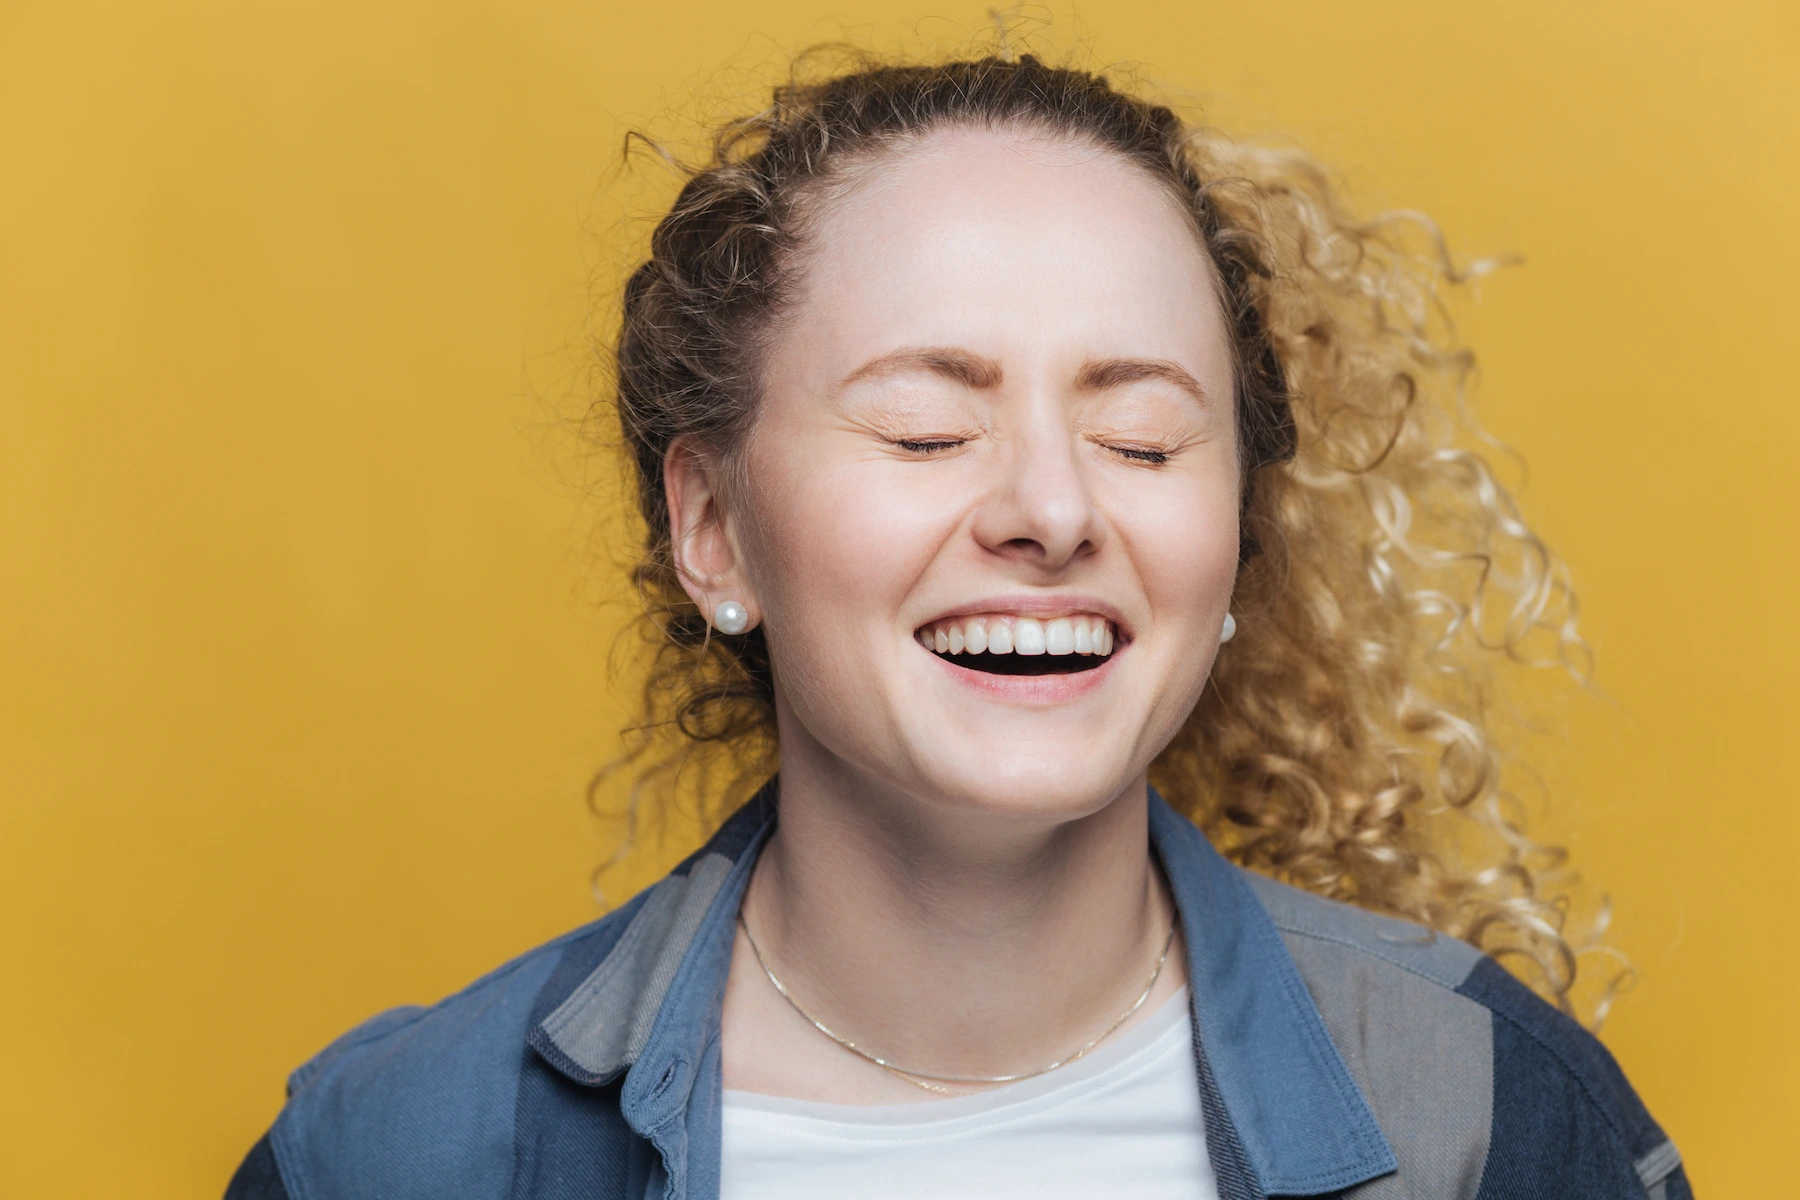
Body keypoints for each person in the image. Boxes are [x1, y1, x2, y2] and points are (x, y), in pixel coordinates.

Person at [226, 51, 1690, 1200]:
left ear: (1236, 541)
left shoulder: (1500, 1119)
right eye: (927, 432)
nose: (1053, 509)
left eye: (1142, 438)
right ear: (714, 530)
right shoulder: (394, 1156)